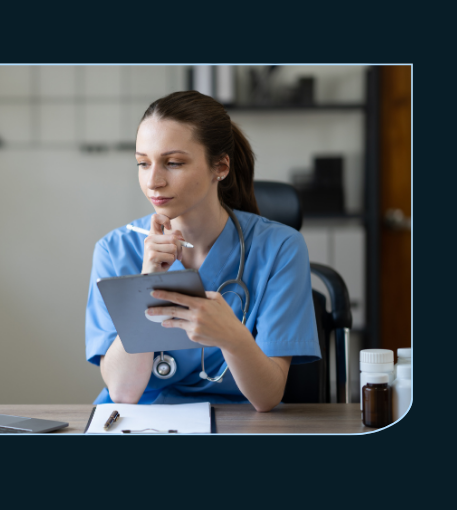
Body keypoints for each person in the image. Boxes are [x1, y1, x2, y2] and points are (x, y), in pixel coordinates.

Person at [85, 91, 320, 412]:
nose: (153, 181)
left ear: (220, 166)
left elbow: (268, 397)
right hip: (143, 422)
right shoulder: (115, 250)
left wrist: (231, 337)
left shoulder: (279, 247)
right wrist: (147, 283)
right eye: (143, 163)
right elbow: (124, 393)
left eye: (174, 163)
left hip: (241, 422)